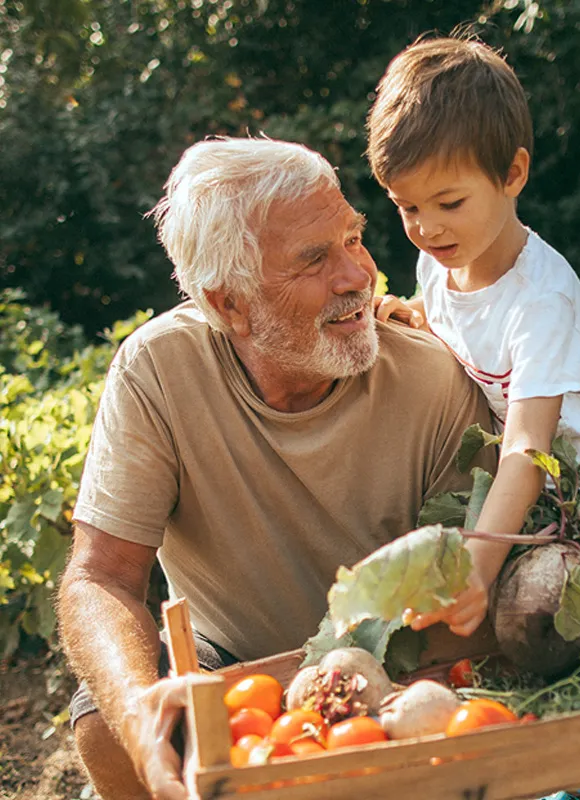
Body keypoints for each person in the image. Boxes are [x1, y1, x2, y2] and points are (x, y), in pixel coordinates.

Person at [56, 136, 496, 800]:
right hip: (230, 660)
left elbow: (470, 601)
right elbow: (100, 576)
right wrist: (138, 709)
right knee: (102, 722)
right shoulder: (159, 370)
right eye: (315, 258)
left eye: (353, 238)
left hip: (397, 662)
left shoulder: (432, 380)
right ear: (228, 303)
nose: (356, 275)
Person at [367, 37, 580, 639]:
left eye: (449, 203)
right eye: (407, 208)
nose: (426, 228)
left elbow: (532, 446)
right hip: (501, 478)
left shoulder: (543, 299)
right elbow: (459, 318)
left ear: (513, 174)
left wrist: (478, 566)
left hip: (578, 486)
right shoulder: (442, 261)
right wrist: (418, 316)